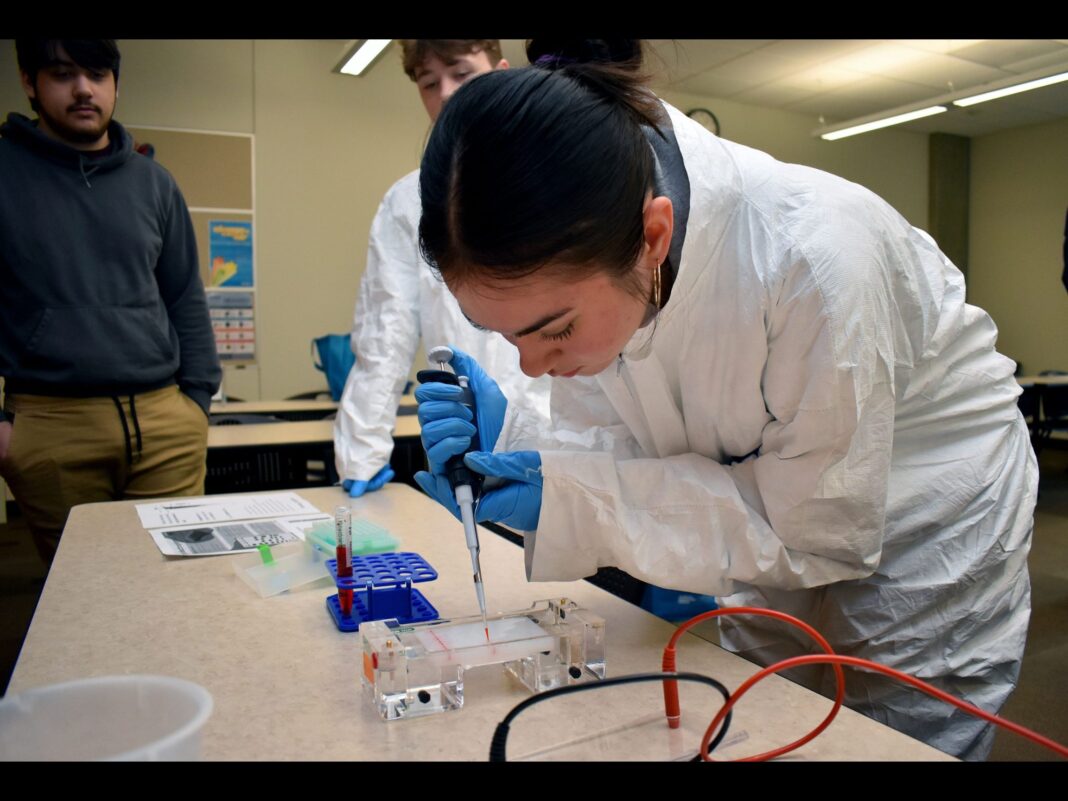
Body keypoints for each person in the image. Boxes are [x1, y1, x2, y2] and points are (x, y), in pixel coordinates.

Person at [412, 39, 1037, 760]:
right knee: (769, 707)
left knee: (897, 737)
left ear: (654, 236)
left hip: (924, 513)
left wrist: (565, 497)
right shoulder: (605, 244)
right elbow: (641, 457)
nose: (531, 363)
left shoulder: (813, 257)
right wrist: (528, 443)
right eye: (503, 335)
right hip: (775, 508)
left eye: (553, 330)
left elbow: (807, 529)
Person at [0, 39, 221, 564]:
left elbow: (184, 296)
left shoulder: (154, 184)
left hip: (165, 417)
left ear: (115, 84)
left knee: (175, 584)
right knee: (83, 592)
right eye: (62, 73)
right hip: (52, 424)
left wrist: (196, 402)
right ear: (30, 84)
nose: (83, 89)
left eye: (97, 74)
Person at [334, 39, 552, 497]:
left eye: (462, 74)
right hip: (466, 446)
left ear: (502, 71)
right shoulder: (408, 202)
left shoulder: (553, 175)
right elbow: (386, 332)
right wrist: (361, 451)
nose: (447, 94)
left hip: (567, 442)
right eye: (429, 83)